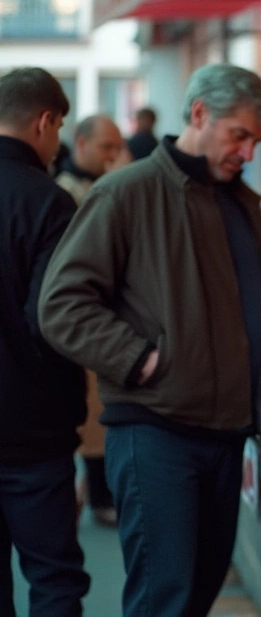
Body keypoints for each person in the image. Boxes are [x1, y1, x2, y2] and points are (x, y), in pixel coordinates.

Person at [40, 64, 261, 617]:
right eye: (241, 135)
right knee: (165, 600)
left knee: (198, 592)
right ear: (199, 114)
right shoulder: (125, 193)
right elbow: (62, 305)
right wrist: (137, 359)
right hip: (157, 432)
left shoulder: (239, 203)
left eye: (257, 141)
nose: (249, 152)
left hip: (227, 434)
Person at [0, 68, 91, 617]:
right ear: (45, 122)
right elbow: (52, 320)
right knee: (54, 578)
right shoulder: (50, 203)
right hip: (33, 430)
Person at [54, 114, 128, 527]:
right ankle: (96, 495)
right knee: (90, 416)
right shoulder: (66, 193)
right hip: (85, 325)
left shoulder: (98, 186)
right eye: (106, 147)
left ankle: (95, 492)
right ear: (80, 144)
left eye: (117, 148)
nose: (113, 156)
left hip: (105, 321)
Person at [56, 114, 127, 203]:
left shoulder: (101, 177)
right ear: (81, 144)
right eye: (107, 147)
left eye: (119, 148)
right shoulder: (64, 189)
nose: (115, 155)